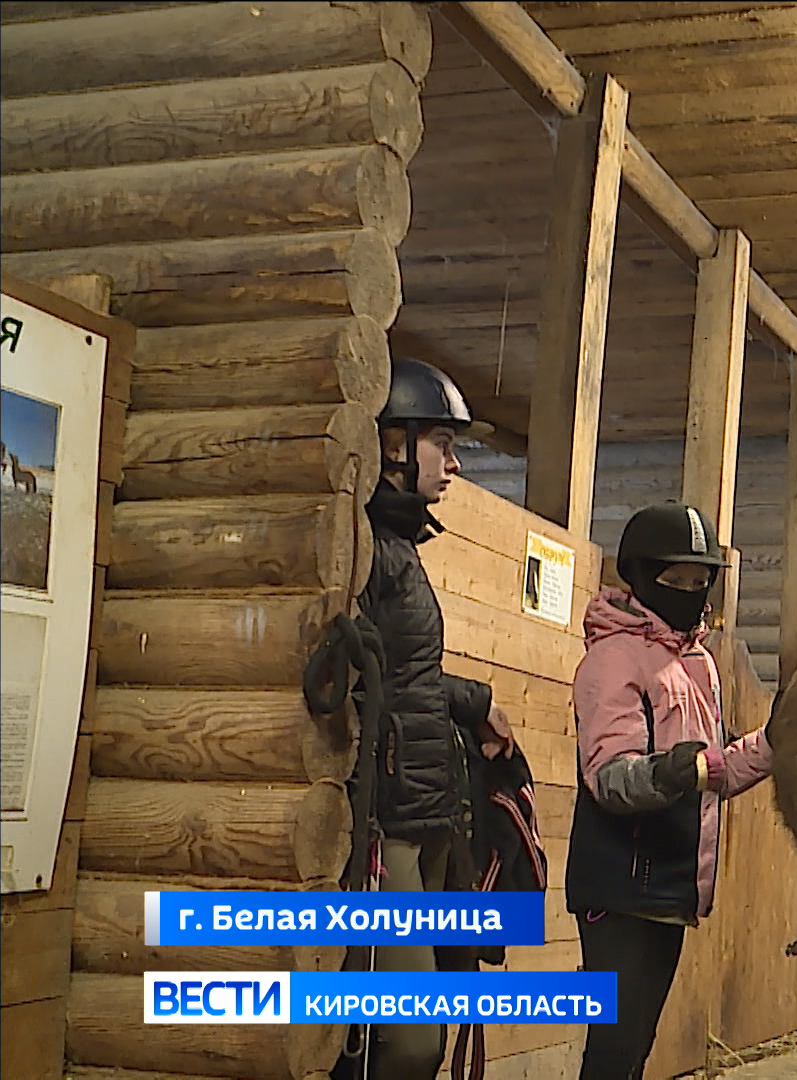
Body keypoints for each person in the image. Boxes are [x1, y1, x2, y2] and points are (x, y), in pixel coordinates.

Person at [567, 502, 774, 1080]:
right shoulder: (612, 661)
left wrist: (776, 740)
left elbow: (716, 770)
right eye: (674, 580)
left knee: (633, 1048)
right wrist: (671, 773)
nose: (690, 592)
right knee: (615, 1050)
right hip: (622, 885)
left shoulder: (699, 664)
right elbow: (611, 775)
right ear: (637, 577)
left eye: (699, 580)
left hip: (671, 887)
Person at [356, 357, 516, 1079]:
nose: (454, 464)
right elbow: (363, 679)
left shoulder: (399, 549)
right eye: (442, 444)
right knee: (411, 1040)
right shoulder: (369, 549)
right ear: (397, 444)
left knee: (435, 1026)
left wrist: (473, 702)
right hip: (385, 821)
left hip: (423, 813)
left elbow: (407, 677)